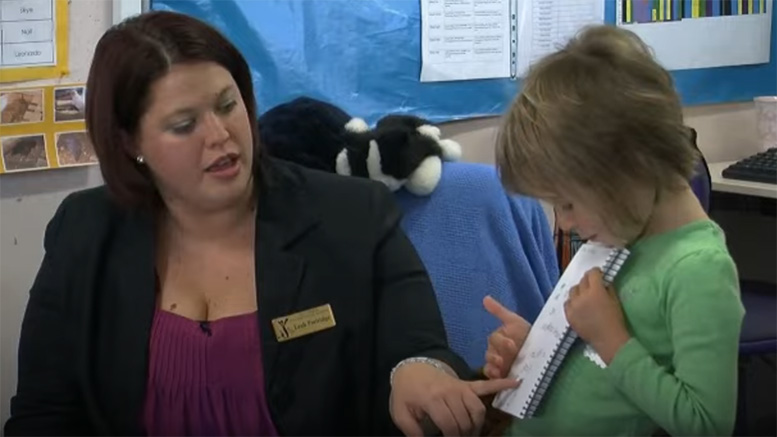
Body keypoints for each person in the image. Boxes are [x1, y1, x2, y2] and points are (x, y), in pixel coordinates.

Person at [4, 11, 517, 437]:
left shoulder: (353, 216)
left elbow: (419, 350)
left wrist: (419, 372)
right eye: (184, 125)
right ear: (130, 144)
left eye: (229, 105)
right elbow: (44, 415)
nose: (221, 134)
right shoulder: (85, 232)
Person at [482, 25, 744, 436]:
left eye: (567, 204)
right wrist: (535, 350)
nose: (564, 222)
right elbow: (593, 368)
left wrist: (612, 340)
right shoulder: (618, 232)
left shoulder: (698, 269)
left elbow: (706, 424)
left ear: (629, 169)